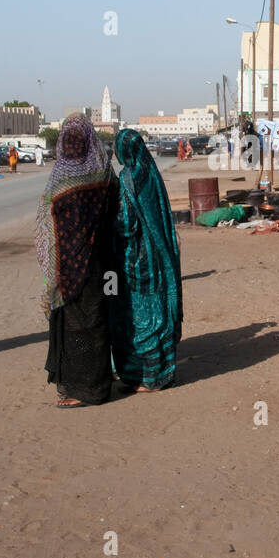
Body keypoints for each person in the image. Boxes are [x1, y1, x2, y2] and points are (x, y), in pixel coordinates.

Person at [36, 114, 114, 408]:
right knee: (96, 321)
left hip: (67, 269)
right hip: (102, 263)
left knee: (74, 326)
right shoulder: (104, 173)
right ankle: (99, 383)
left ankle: (78, 389)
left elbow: (49, 229)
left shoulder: (58, 179)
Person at [109, 129, 182, 392]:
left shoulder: (127, 178)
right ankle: (160, 374)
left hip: (137, 261)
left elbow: (126, 225)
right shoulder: (151, 174)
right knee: (159, 312)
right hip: (159, 257)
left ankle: (142, 378)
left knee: (139, 317)